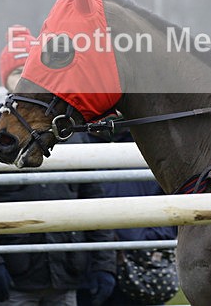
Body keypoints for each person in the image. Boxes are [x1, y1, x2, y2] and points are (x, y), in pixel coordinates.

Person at [0, 25, 116, 306]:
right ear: (5, 78)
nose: (25, 83)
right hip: (12, 276)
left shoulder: (65, 128)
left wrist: (103, 263)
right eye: (19, 74)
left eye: (33, 76)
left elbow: (92, 196)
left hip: (67, 273)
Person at [78, 130, 179, 306]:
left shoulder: (153, 142)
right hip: (91, 262)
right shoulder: (78, 143)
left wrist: (149, 239)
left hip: (142, 262)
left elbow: (174, 197)